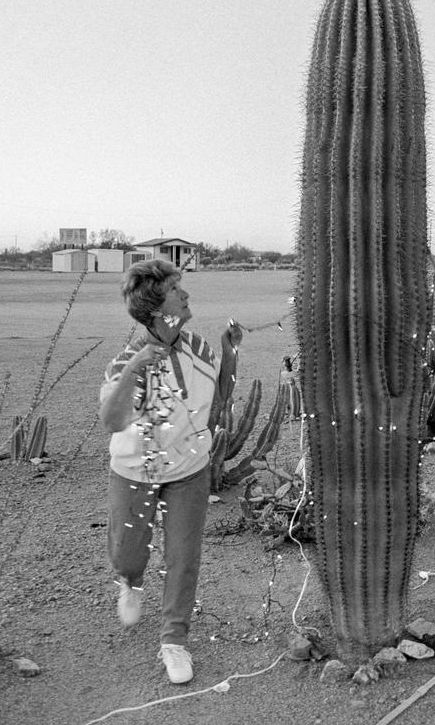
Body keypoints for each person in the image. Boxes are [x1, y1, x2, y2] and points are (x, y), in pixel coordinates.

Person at [99, 258, 243, 683]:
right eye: (178, 291)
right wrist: (135, 369)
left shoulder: (198, 348)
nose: (187, 295)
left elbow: (221, 393)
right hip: (134, 472)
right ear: (159, 308)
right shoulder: (125, 360)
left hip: (189, 470)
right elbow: (111, 421)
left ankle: (174, 642)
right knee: (128, 551)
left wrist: (230, 351)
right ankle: (129, 580)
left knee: (183, 557)